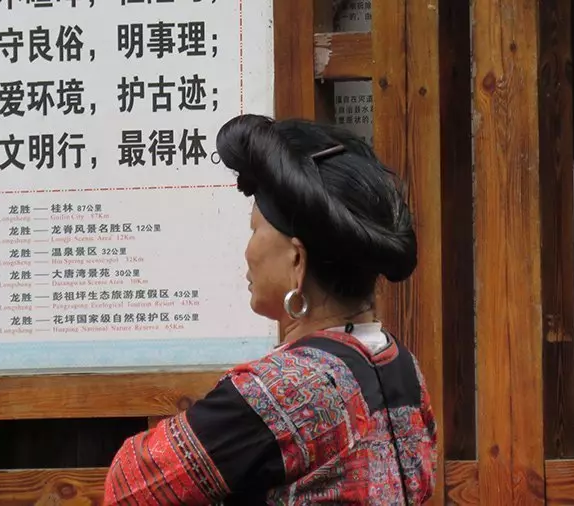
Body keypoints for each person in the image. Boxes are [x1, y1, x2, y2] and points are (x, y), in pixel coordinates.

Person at [104, 114, 437, 505]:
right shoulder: (402, 367)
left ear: (297, 259)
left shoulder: (281, 391)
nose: (247, 251)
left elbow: (130, 485)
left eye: (255, 229)